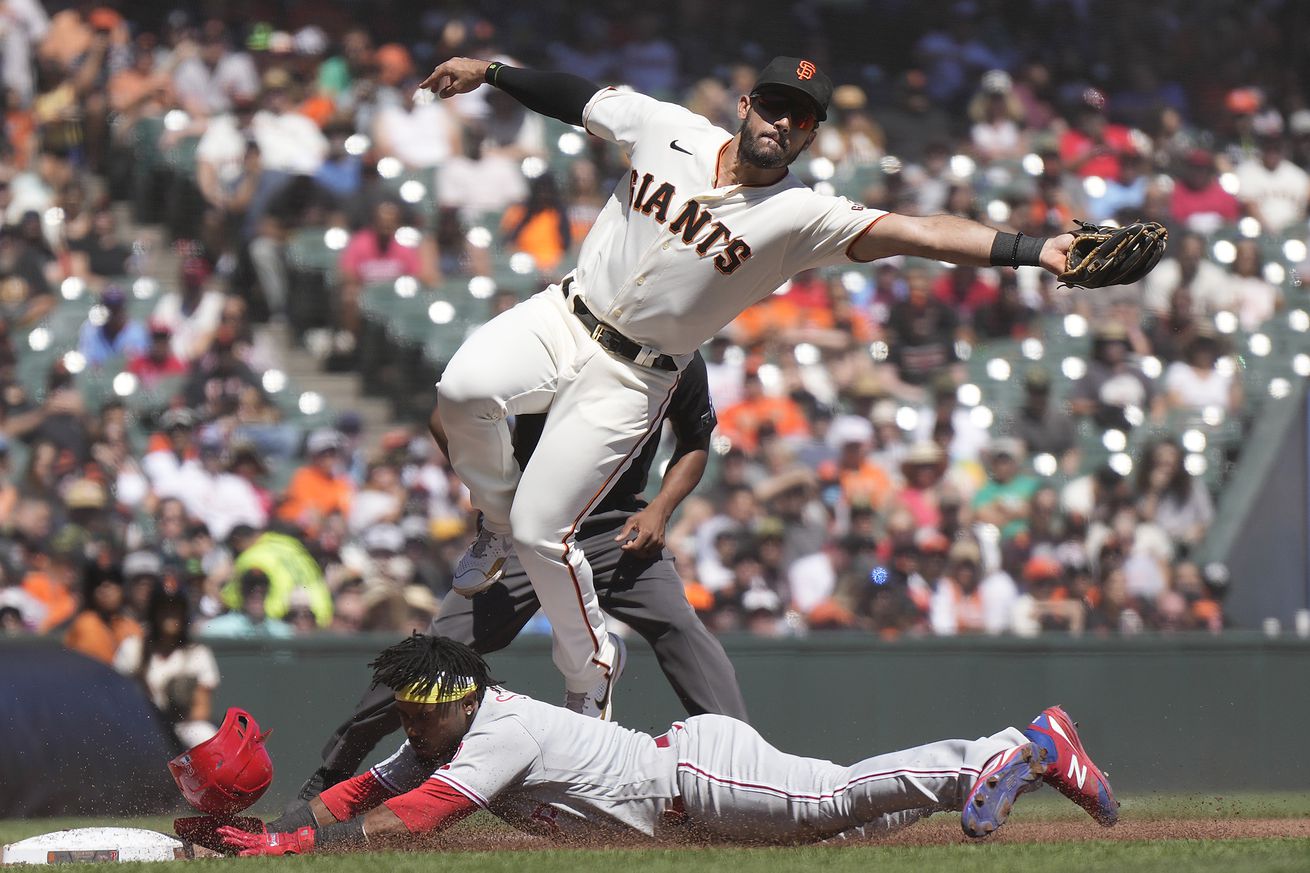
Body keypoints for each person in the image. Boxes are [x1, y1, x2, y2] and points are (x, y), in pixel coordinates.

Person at [420, 54, 1083, 717]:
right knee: (462, 392)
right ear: (745, 105)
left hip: (633, 374)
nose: (782, 122)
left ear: (811, 136)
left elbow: (920, 233)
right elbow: (579, 98)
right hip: (565, 314)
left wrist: (1033, 249)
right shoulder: (668, 128)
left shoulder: (799, 215)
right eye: (773, 104)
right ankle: (494, 521)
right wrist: (492, 71)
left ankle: (590, 667)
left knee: (544, 531)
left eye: (800, 117)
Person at [294, 353, 746, 800]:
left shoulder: (681, 352)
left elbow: (695, 441)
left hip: (616, 523)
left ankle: (746, 768)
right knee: (437, 652)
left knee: (680, 627)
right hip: (528, 521)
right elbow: (445, 415)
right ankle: (333, 772)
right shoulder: (560, 333)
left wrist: (661, 509)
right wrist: (497, 496)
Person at [206, 635, 1117, 856]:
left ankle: (1009, 743)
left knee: (840, 796)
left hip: (695, 776)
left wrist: (289, 845)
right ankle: (1040, 761)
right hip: (691, 815)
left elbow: (421, 815)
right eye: (404, 710)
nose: (409, 725)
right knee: (850, 835)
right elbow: (363, 791)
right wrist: (277, 833)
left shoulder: (497, 727)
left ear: (460, 700)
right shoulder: (438, 736)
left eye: (421, 711)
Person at [114, 581, 221, 749]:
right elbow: (115, 696)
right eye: (164, 607)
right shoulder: (133, 648)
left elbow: (202, 710)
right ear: (153, 612)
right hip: (141, 726)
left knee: (204, 734)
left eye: (175, 608)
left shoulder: (197, 653)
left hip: (182, 726)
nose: (170, 614)